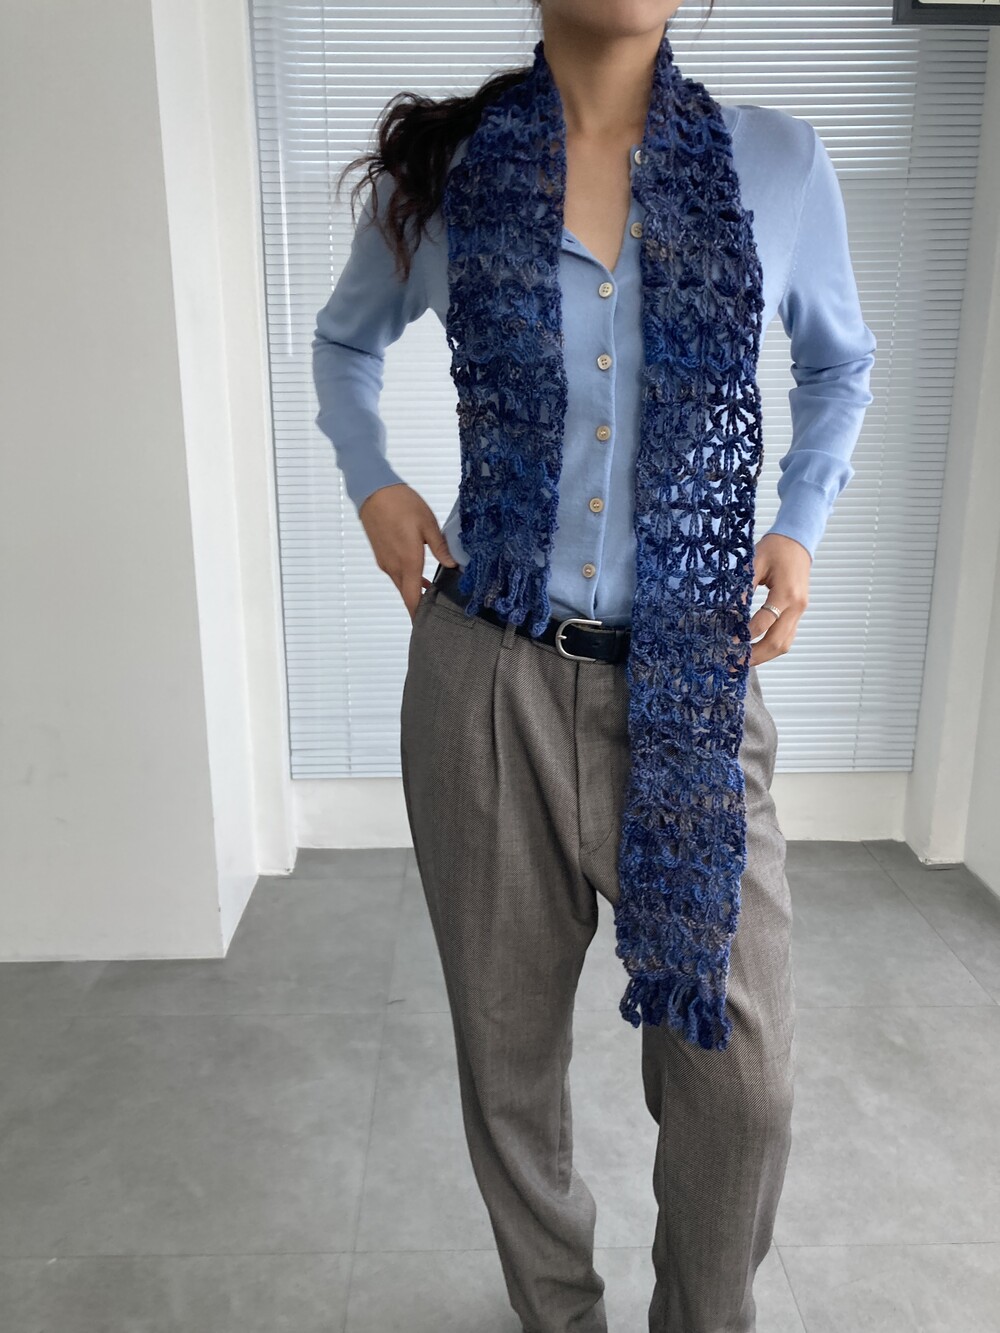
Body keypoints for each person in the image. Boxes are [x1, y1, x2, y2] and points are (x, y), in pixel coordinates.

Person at [312, 3, 876, 1329]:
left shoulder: (777, 164)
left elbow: (841, 366)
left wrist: (799, 522)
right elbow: (345, 343)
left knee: (743, 1082)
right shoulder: (450, 173)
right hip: (487, 680)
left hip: (690, 686)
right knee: (508, 1069)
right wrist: (372, 480)